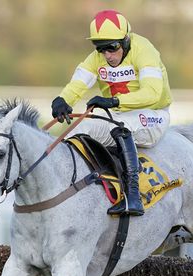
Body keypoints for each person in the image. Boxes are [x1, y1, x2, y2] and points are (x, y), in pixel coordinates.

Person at [51, 9, 173, 216]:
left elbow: (153, 93)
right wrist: (63, 100)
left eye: (112, 47)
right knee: (74, 131)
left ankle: (133, 196)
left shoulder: (144, 50)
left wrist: (114, 101)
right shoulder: (96, 59)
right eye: (101, 49)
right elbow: (78, 84)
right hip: (117, 114)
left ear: (126, 40)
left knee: (119, 127)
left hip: (153, 115)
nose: (107, 55)